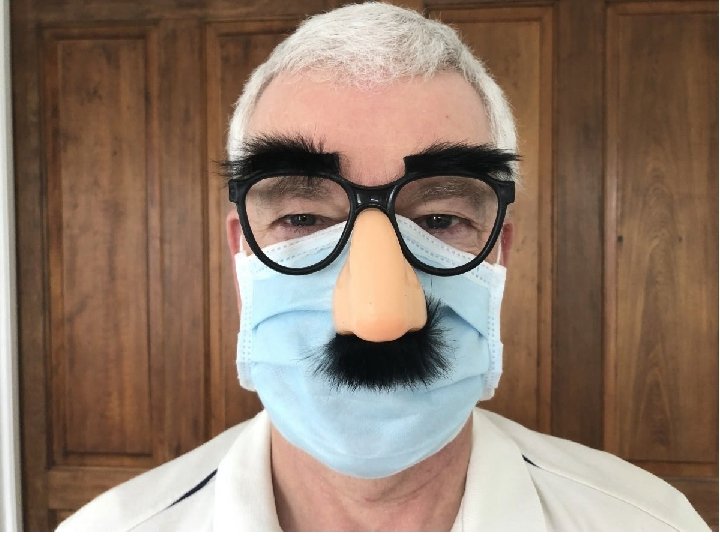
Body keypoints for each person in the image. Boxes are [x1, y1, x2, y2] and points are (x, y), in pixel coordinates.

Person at [57, 2, 709, 532]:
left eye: (440, 219)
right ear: (242, 257)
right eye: (303, 218)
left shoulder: (653, 527)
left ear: (498, 256)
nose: (377, 316)